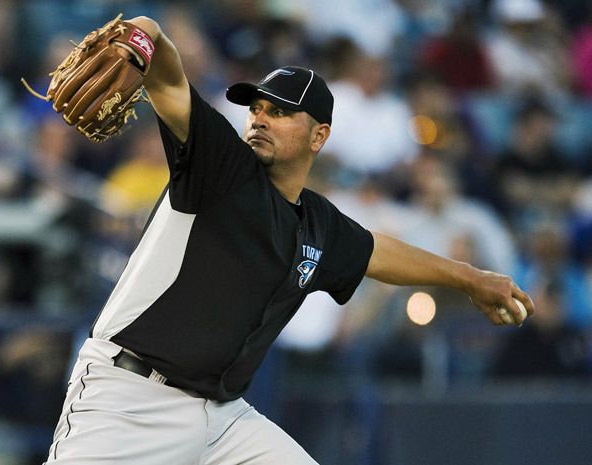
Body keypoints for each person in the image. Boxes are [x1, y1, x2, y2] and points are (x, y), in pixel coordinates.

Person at [43, 15, 535, 465]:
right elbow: (169, 78)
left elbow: (376, 253)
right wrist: (142, 34)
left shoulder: (318, 222)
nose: (259, 118)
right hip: (129, 400)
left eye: (279, 112)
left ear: (319, 136)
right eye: (256, 108)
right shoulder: (220, 168)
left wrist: (472, 278)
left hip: (222, 420)